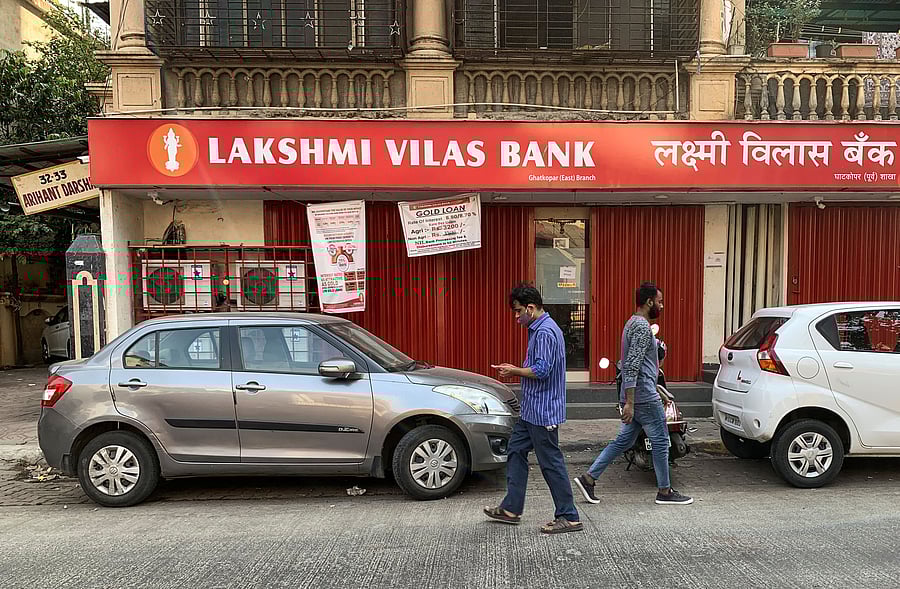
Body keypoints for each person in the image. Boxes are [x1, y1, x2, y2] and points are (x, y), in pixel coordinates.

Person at [573, 281, 693, 506]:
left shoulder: (632, 324)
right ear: (649, 302)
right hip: (643, 398)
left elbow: (643, 367)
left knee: (623, 441)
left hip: (642, 393)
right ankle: (665, 492)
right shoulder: (640, 327)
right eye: (659, 301)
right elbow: (632, 366)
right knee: (660, 441)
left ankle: (588, 478)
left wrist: (657, 389)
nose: (662, 306)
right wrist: (630, 402)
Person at [483, 283, 583, 534]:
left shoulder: (546, 332)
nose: (516, 317)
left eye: (518, 312)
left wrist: (513, 370)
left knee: (551, 462)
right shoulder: (537, 329)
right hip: (531, 411)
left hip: (543, 411)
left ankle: (569, 516)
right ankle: (511, 508)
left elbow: (541, 370)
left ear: (530, 308)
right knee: (516, 451)